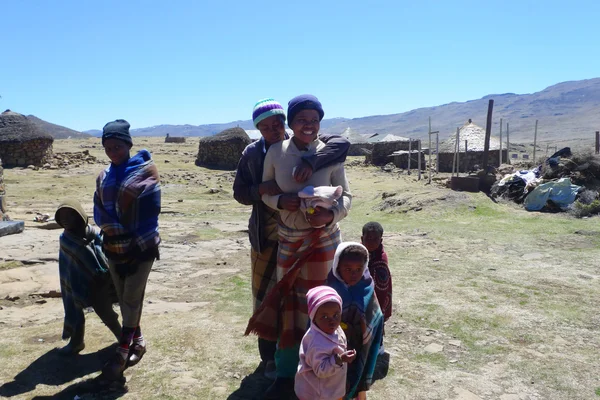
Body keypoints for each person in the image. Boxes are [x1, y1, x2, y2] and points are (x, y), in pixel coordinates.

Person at [234, 98, 349, 380]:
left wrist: (330, 215)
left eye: (313, 120)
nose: (308, 125)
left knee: (325, 299)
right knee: (286, 302)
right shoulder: (271, 152)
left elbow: (345, 196)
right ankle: (286, 363)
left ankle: (329, 359)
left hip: (323, 241)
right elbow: (260, 193)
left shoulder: (328, 150)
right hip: (282, 238)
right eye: (302, 120)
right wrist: (280, 201)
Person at [93, 119, 161, 380]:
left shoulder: (145, 170)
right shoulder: (104, 176)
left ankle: (121, 354)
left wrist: (128, 234)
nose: (113, 152)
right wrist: (113, 228)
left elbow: (150, 208)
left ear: (128, 145)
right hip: (112, 246)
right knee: (124, 299)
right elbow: (99, 210)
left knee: (132, 297)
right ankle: (138, 341)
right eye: (108, 147)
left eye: (117, 146)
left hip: (142, 245)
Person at [55, 199, 121, 355]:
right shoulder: (66, 240)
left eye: (69, 215)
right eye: (61, 216)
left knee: (106, 313)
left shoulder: (93, 233)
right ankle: (77, 342)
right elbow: (68, 267)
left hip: (100, 282)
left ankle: (123, 338)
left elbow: (105, 253)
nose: (65, 219)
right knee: (75, 311)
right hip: (76, 283)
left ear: (80, 216)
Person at [327, 242, 384, 400]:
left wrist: (361, 328)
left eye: (359, 269)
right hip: (334, 346)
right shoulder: (330, 289)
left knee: (359, 378)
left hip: (360, 345)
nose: (354, 274)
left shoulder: (367, 287)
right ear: (337, 267)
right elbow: (317, 321)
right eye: (348, 269)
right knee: (336, 382)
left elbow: (376, 317)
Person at [295, 286, 356, 400]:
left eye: (336, 315)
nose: (332, 320)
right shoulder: (316, 342)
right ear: (314, 318)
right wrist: (339, 359)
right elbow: (321, 371)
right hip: (318, 393)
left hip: (332, 387)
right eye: (324, 316)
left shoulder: (334, 329)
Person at [361, 222, 392, 339]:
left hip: (379, 295)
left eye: (375, 239)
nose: (372, 242)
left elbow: (383, 287)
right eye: (368, 238)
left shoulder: (381, 259)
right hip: (363, 294)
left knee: (377, 318)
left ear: (381, 240)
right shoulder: (358, 253)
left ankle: (378, 343)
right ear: (362, 238)